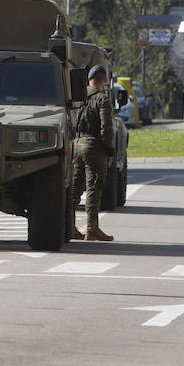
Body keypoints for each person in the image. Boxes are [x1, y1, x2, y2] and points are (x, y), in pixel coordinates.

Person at [68, 65, 115, 242]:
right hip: (93, 146)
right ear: (103, 79)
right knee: (94, 187)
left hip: (77, 145)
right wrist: (108, 146)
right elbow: (107, 127)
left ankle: (69, 227)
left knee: (75, 189)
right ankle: (92, 228)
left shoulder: (78, 98)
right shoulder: (102, 99)